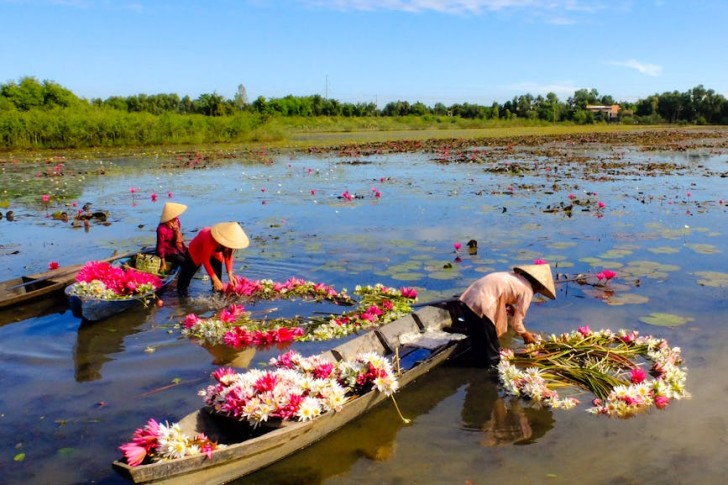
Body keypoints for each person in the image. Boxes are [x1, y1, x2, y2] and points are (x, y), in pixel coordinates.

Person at [458, 263, 556, 368]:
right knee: (492, 351)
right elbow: (516, 323)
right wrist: (525, 335)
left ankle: (477, 365)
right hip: (483, 304)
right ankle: (489, 375)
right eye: (539, 290)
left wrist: (511, 307)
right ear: (538, 286)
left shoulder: (512, 276)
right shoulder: (527, 290)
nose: (536, 292)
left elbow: (502, 291)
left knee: (478, 341)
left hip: (468, 299)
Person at [177, 221, 249, 295]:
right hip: (196, 252)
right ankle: (181, 297)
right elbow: (205, 261)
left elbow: (228, 256)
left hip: (215, 253)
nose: (230, 247)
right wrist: (215, 279)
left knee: (218, 284)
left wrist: (230, 274)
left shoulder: (230, 243)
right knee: (184, 280)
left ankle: (216, 297)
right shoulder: (209, 238)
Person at [156, 202, 188, 273]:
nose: (174, 221)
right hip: (168, 251)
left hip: (178, 247)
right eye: (172, 220)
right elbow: (160, 247)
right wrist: (163, 263)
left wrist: (177, 231)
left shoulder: (177, 222)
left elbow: (179, 240)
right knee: (184, 262)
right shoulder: (161, 229)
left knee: (192, 258)